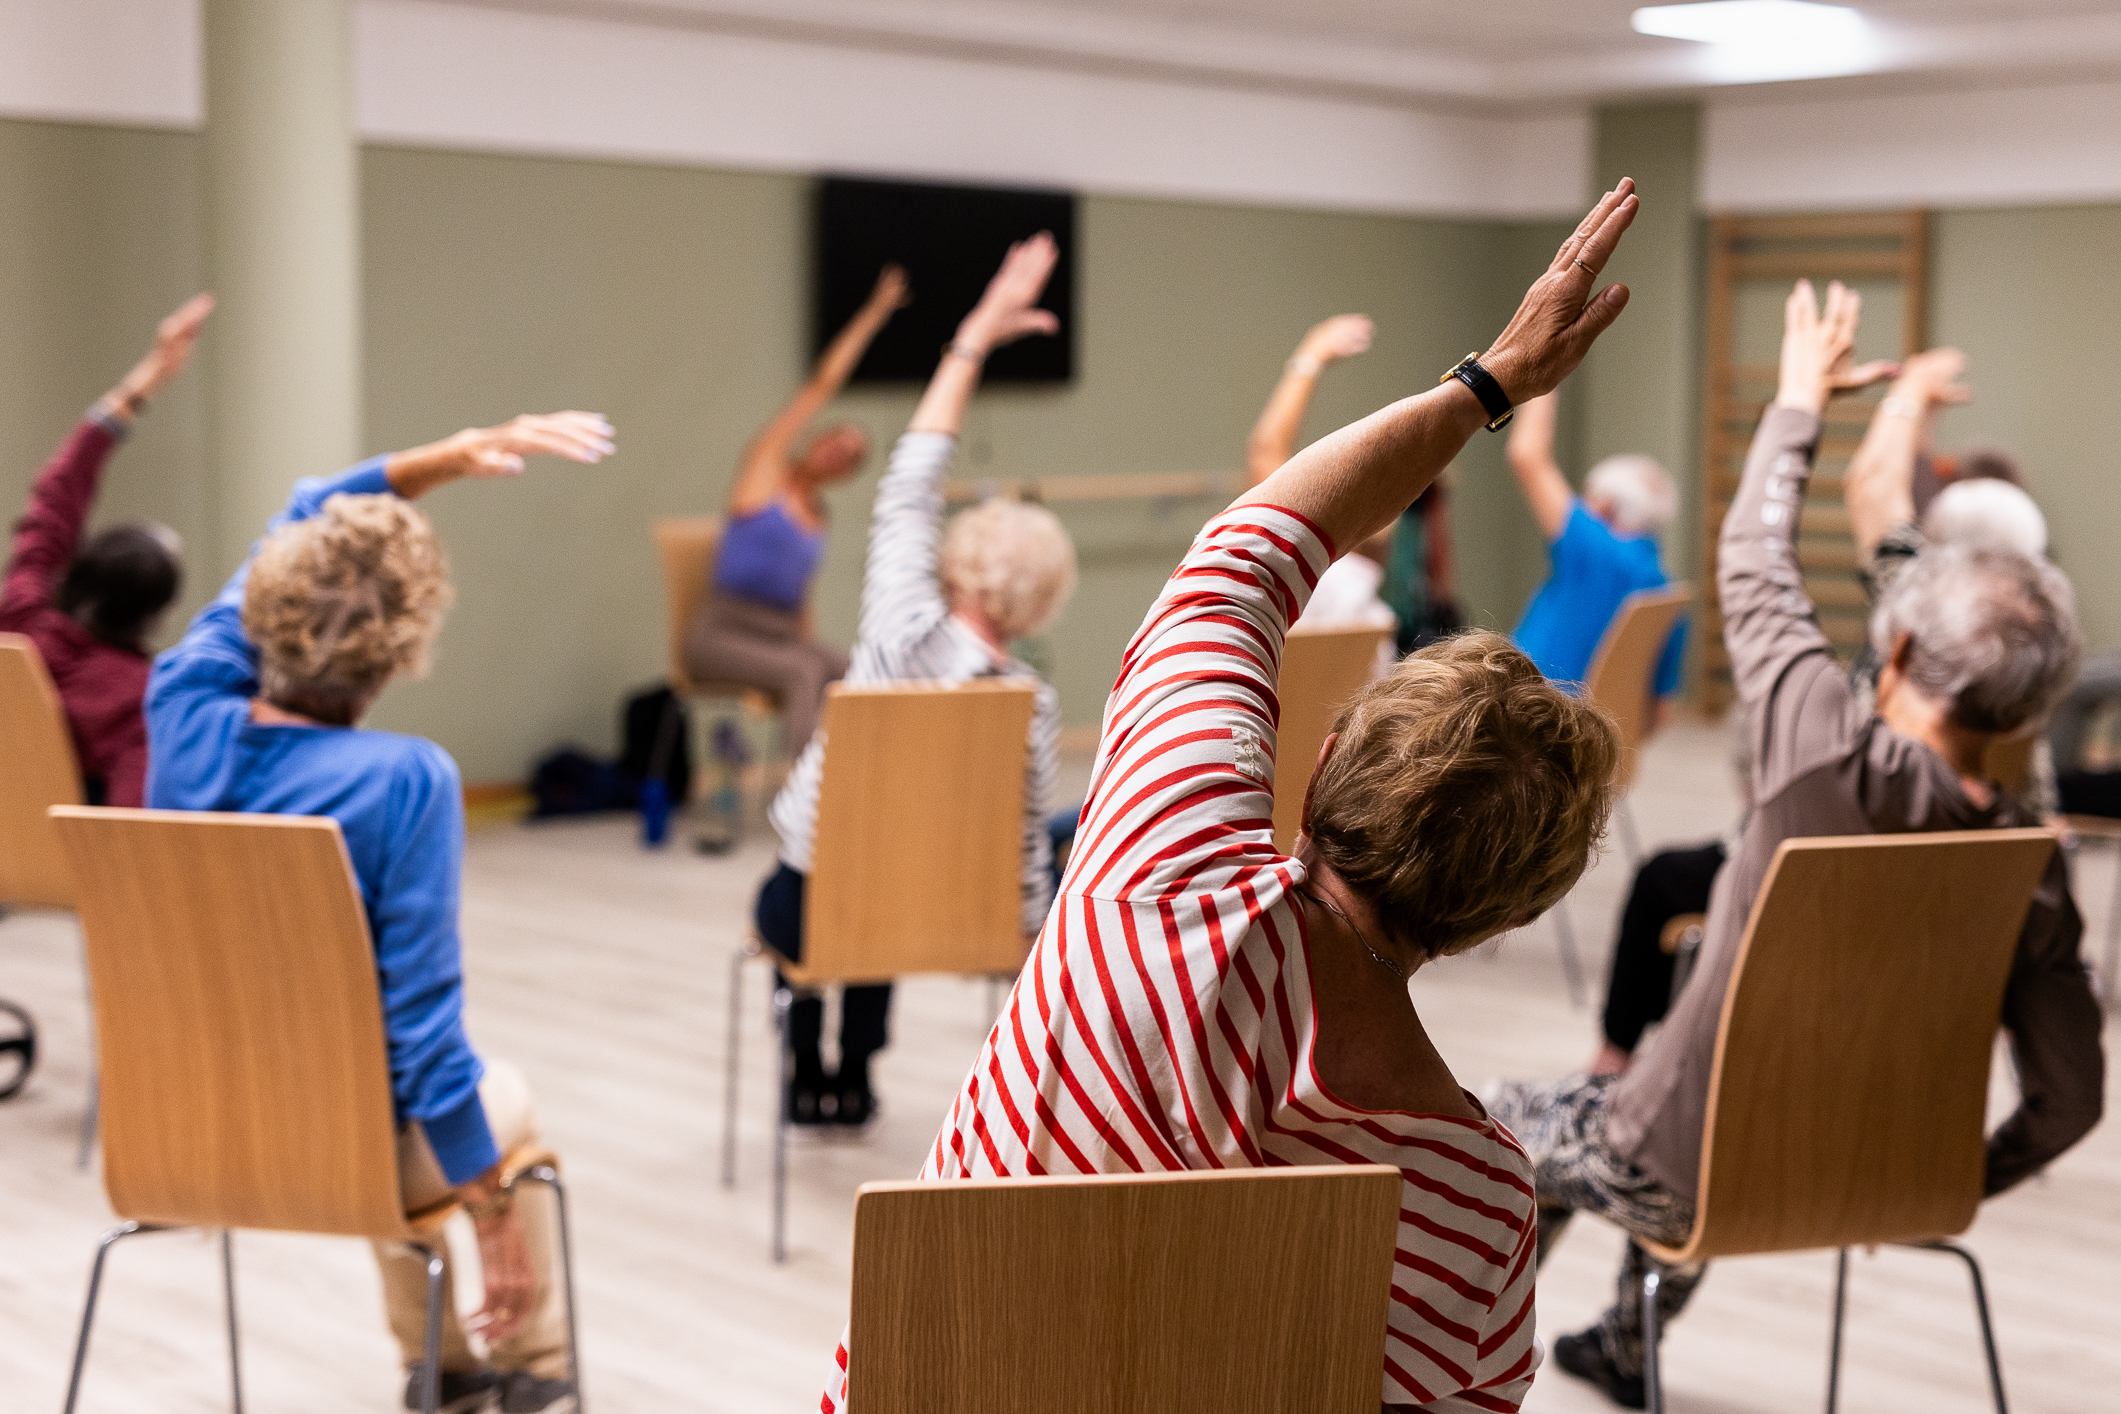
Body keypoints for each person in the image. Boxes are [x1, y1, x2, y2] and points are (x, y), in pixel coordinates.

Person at [815, 181, 1651, 1414]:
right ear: (1501, 918)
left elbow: (1245, 561)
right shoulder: (1481, 1204)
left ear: (1315, 774)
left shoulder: (1150, 880)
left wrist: (1487, 386)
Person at [1489, 279, 2104, 1411]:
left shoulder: (1820, 747)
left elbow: (1753, 556)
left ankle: (1445, 1373)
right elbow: (2069, 1101)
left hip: (1683, 1170)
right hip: (1877, 1181)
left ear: (1903, 645)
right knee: (1676, 1089)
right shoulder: (2035, 863)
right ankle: (1629, 1341)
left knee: (1502, 1125)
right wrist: (1948, 1181)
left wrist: (1799, 398)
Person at [146, 409, 615, 1414]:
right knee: (489, 1098)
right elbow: (425, 1034)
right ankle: (529, 1373)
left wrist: (436, 459)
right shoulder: (403, 781)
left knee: (368, 1080)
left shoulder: (179, 703)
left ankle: (437, 1368)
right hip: (344, 1143)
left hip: (186, 1131)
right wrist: (488, 1216)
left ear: (267, 604)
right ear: (403, 646)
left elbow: (307, 516)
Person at [759, 236, 1075, 1128]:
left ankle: (807, 1063)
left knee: (827, 884)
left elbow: (907, 487)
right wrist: (1014, 938)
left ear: (959, 562)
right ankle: (858, 1068)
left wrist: (969, 340)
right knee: (891, 898)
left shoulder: (897, 633)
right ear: (1041, 599)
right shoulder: (1030, 703)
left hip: (820, 906)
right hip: (937, 914)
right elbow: (1021, 841)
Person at [683, 265, 911, 752]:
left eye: (849, 456)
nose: (837, 451)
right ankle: (806, 801)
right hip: (720, 635)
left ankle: (871, 780)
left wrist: (807, 640)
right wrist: (874, 313)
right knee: (803, 672)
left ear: (845, 474)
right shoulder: (765, 472)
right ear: (815, 439)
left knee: (861, 671)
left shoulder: (818, 519)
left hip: (781, 637)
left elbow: (800, 598)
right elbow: (820, 386)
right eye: (836, 439)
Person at [0, 294, 212, 806]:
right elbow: (126, 829)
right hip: (50, 882)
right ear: (154, 616)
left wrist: (145, 380)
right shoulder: (136, 698)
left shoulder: (21, 611)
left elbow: (58, 491)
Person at [1504, 387, 1684, 718]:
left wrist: (1545, 377)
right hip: (1596, 742)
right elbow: (1661, 710)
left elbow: (1526, 455)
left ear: (1604, 506)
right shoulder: (1664, 590)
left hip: (1527, 719)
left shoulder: (1593, 549)